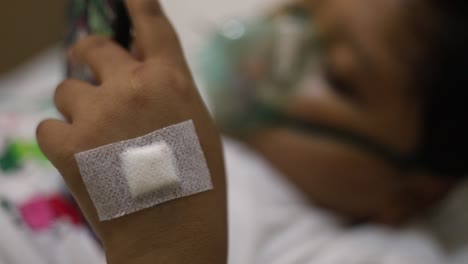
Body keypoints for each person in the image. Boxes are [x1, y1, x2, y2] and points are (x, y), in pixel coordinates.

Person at [36, 0, 467, 263]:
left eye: (338, 76)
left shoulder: (369, 254)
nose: (275, 48)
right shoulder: (176, 102)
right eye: (298, 12)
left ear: (412, 193)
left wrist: (164, 247)